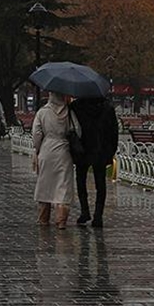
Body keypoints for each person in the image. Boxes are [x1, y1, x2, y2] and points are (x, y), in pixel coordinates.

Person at [69, 96, 119, 228]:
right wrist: (110, 151)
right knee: (100, 184)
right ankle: (98, 215)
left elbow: (72, 128)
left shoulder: (76, 106)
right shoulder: (107, 107)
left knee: (81, 181)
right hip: (100, 150)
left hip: (82, 149)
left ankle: (85, 211)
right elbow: (114, 131)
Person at [32, 91, 77, 229]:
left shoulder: (42, 112)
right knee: (63, 185)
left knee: (45, 185)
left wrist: (37, 149)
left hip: (47, 150)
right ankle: (61, 220)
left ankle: (43, 219)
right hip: (64, 151)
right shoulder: (69, 111)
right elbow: (77, 130)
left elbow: (36, 134)